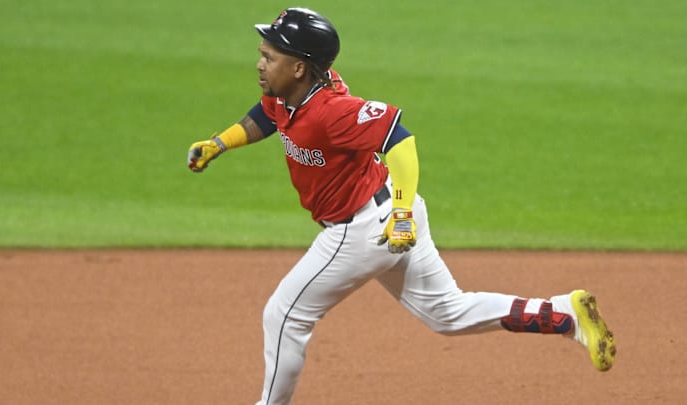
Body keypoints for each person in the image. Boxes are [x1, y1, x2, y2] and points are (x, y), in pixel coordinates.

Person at [186, 7, 616, 405]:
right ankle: (563, 313)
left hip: (362, 228)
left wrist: (403, 213)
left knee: (284, 315)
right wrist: (220, 143)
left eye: (270, 56)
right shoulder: (287, 94)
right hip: (379, 215)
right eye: (262, 53)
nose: (260, 63)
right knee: (447, 312)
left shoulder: (331, 111)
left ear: (299, 67)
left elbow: (400, 138)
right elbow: (265, 117)